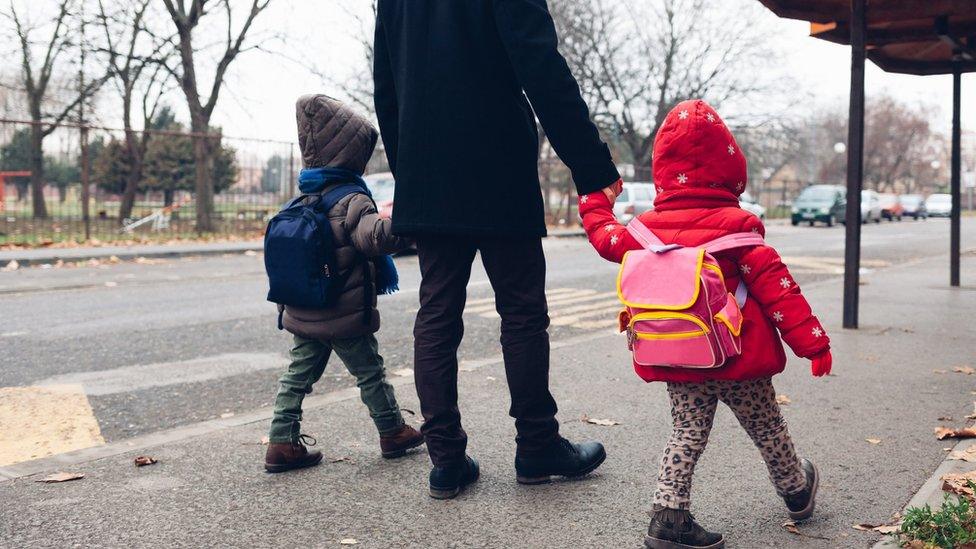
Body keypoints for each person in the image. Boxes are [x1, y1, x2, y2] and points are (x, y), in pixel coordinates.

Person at [373, 0, 622, 499]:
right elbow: (541, 65)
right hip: (497, 167)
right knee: (522, 311)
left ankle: (446, 460)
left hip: (429, 170)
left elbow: (387, 83)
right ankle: (537, 445)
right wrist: (592, 167)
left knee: (437, 313)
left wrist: (411, 174)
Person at [579, 99, 833, 549]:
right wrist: (813, 345)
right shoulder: (738, 229)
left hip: (679, 353)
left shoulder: (644, 230)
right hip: (738, 357)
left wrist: (595, 200)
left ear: (661, 170)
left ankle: (668, 516)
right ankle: (796, 490)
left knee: (686, 432)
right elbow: (779, 291)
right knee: (767, 426)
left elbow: (604, 236)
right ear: (733, 170)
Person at [264, 94, 424, 473]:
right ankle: (392, 431)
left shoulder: (302, 197)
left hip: (304, 311)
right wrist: (408, 224)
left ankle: (280, 441)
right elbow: (375, 238)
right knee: (370, 372)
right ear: (351, 154)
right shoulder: (352, 198)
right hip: (343, 312)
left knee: (297, 375)